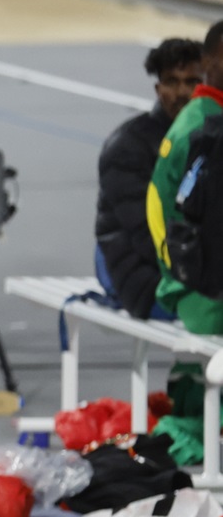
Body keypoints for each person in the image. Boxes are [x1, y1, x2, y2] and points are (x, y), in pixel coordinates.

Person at [97, 38, 200, 317]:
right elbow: (148, 236)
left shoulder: (210, 136)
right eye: (171, 82)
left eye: (191, 82)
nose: (182, 92)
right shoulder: (128, 146)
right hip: (141, 277)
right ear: (158, 89)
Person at [148, 20, 223, 332]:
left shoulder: (205, 117)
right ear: (207, 62)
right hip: (203, 292)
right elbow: (158, 206)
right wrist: (178, 274)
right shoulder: (203, 127)